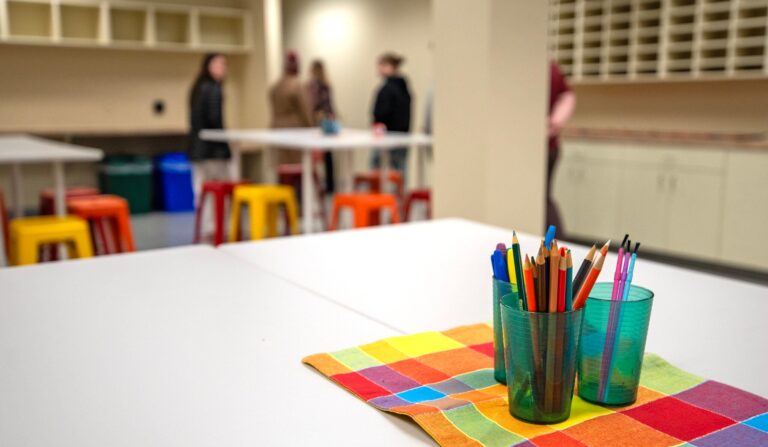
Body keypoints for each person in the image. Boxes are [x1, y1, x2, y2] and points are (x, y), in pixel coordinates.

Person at [188, 53, 231, 197]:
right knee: (218, 192)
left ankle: (205, 220)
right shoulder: (213, 88)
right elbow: (215, 119)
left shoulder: (198, 87)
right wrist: (225, 147)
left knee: (201, 191)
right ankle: (216, 220)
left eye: (224, 64)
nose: (223, 68)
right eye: (218, 64)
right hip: (212, 150)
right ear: (208, 66)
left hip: (197, 149)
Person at [371, 52, 412, 175]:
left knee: (377, 166)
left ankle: (376, 194)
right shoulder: (404, 87)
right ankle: (399, 194)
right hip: (402, 135)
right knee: (400, 169)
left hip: (388, 136)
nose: (379, 69)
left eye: (382, 65)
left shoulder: (388, 89)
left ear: (391, 67)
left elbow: (381, 113)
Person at [547, 62, 576, 235]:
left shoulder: (548, 69)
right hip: (551, 145)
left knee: (542, 198)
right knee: (544, 198)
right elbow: (568, 96)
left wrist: (551, 125)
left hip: (546, 147)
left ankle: (556, 242)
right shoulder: (553, 68)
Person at [307, 59, 336, 193]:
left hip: (316, 122)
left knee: (313, 155)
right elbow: (330, 105)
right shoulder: (326, 85)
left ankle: (314, 184)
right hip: (327, 121)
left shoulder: (312, 85)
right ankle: (330, 184)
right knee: (328, 155)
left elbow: (311, 104)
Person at [269, 51, 314, 129]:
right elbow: (305, 110)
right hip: (293, 129)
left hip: (276, 128)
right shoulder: (298, 85)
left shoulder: (275, 87)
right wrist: (311, 126)